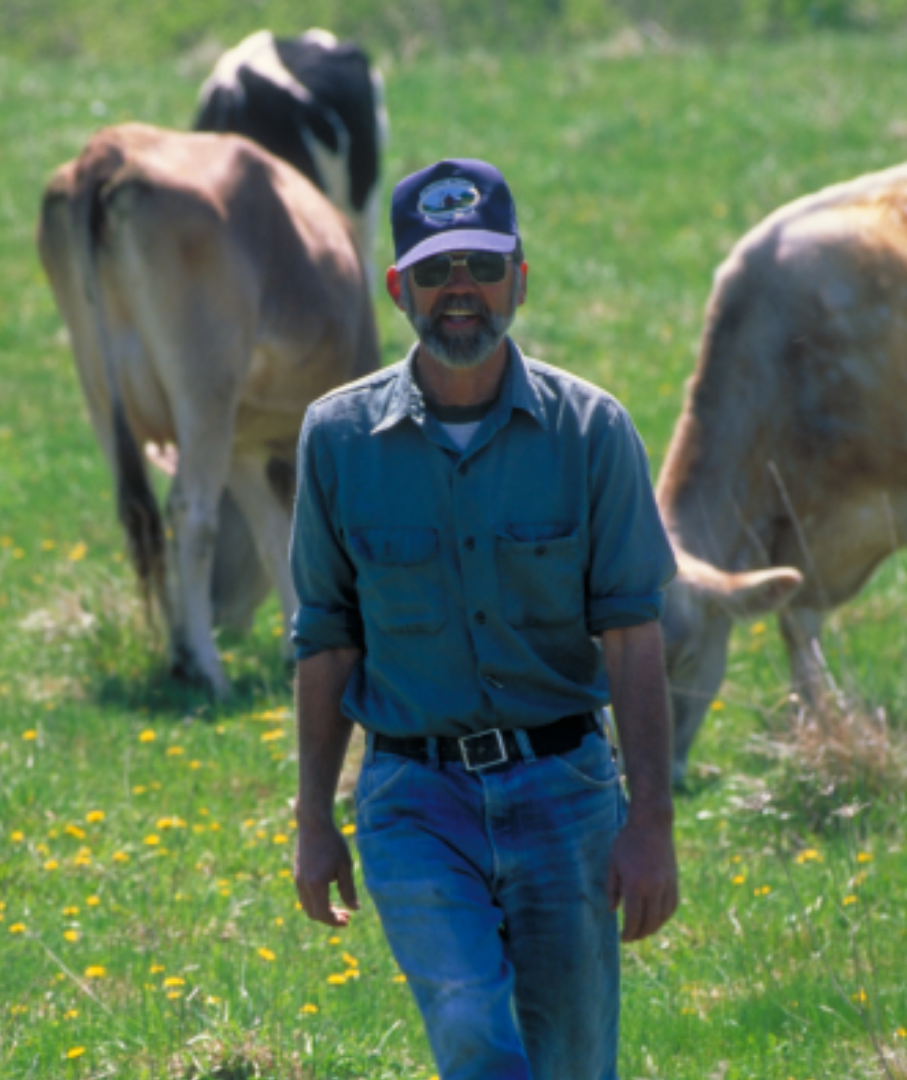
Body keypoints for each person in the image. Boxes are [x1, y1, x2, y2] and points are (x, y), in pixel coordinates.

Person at [291, 158, 679, 1080]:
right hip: (414, 797)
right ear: (398, 289)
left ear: (520, 278)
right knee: (470, 1026)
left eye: (479, 265)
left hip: (566, 793)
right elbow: (326, 638)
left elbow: (632, 635)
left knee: (573, 1063)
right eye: (434, 270)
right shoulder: (337, 439)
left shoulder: (593, 431)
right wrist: (312, 817)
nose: (458, 290)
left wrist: (652, 822)